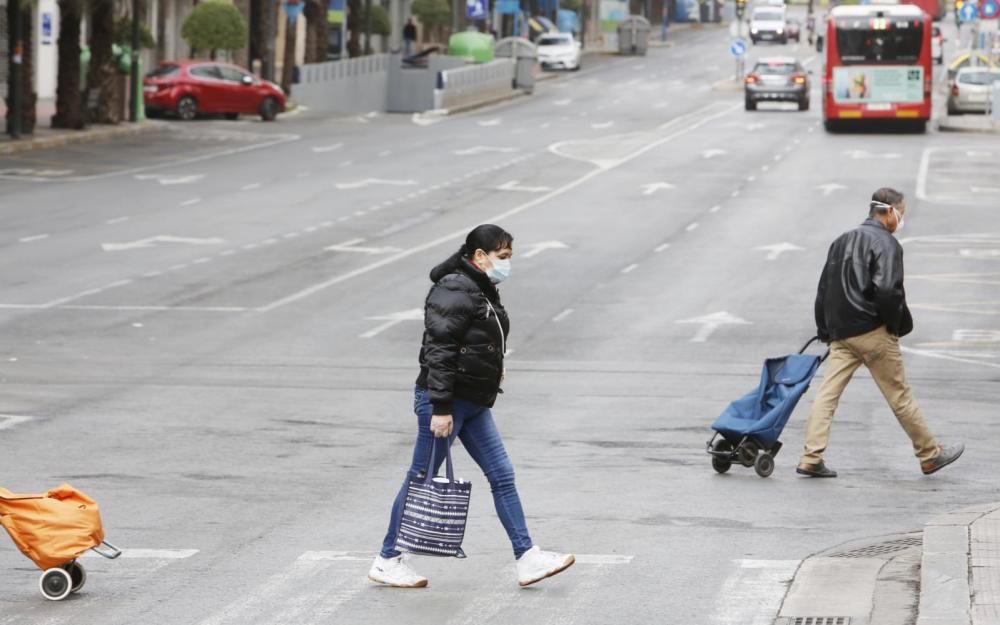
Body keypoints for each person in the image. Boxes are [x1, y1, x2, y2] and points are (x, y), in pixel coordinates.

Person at [369, 224, 575, 588]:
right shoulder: (454, 289)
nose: (507, 264)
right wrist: (442, 407)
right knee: (420, 481)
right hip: (448, 403)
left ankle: (526, 557)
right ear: (480, 256)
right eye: (502, 257)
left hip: (474, 402)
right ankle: (388, 558)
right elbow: (439, 351)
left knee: (502, 476)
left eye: (509, 257)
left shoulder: (478, 285)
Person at [797, 188, 964, 479]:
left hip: (842, 333)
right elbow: (888, 290)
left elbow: (823, 290)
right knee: (899, 395)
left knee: (827, 395)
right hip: (873, 331)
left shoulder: (841, 241)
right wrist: (895, 325)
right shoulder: (886, 243)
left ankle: (811, 457)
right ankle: (929, 454)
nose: (901, 219)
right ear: (888, 211)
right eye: (902, 213)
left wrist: (825, 329)